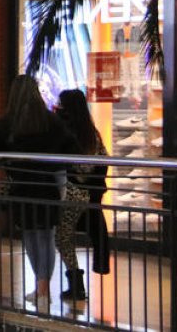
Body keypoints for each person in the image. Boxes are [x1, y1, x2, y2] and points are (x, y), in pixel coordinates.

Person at [0, 75, 79, 307]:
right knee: (47, 236)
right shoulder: (50, 120)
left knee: (31, 237)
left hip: (22, 188)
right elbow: (71, 147)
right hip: (48, 187)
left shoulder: (9, 123)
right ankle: (43, 287)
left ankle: (40, 286)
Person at [54, 88, 111, 300]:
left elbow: (76, 164)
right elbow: (102, 159)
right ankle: (76, 282)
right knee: (66, 236)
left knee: (62, 237)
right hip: (90, 194)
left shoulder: (69, 132)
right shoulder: (90, 132)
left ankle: (76, 282)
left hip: (72, 192)